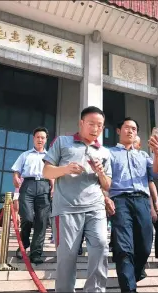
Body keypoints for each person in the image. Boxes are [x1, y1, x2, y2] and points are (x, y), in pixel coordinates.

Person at [42, 106, 112, 292]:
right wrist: (66, 169)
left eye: (100, 125)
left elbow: (107, 185)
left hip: (95, 208)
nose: (95, 129)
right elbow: (46, 171)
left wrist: (101, 172)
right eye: (91, 124)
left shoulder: (104, 152)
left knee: (101, 247)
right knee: (67, 257)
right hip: (66, 209)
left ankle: (95, 290)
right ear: (81, 123)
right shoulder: (63, 142)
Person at [108, 118, 158, 293]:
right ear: (119, 130)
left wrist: (157, 153)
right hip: (120, 201)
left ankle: (134, 274)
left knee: (146, 245)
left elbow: (156, 174)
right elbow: (103, 180)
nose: (130, 131)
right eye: (127, 128)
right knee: (124, 248)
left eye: (134, 129)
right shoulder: (109, 154)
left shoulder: (143, 155)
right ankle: (129, 289)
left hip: (141, 201)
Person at [11, 127, 53, 264]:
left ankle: (36, 253)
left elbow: (52, 174)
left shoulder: (50, 157)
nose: (40, 139)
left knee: (41, 221)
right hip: (27, 186)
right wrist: (16, 177)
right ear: (33, 139)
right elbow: (16, 170)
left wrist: (53, 187)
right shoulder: (25, 155)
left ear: (46, 140)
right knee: (27, 218)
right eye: (37, 137)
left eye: (43, 137)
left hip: (44, 186)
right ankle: (24, 244)